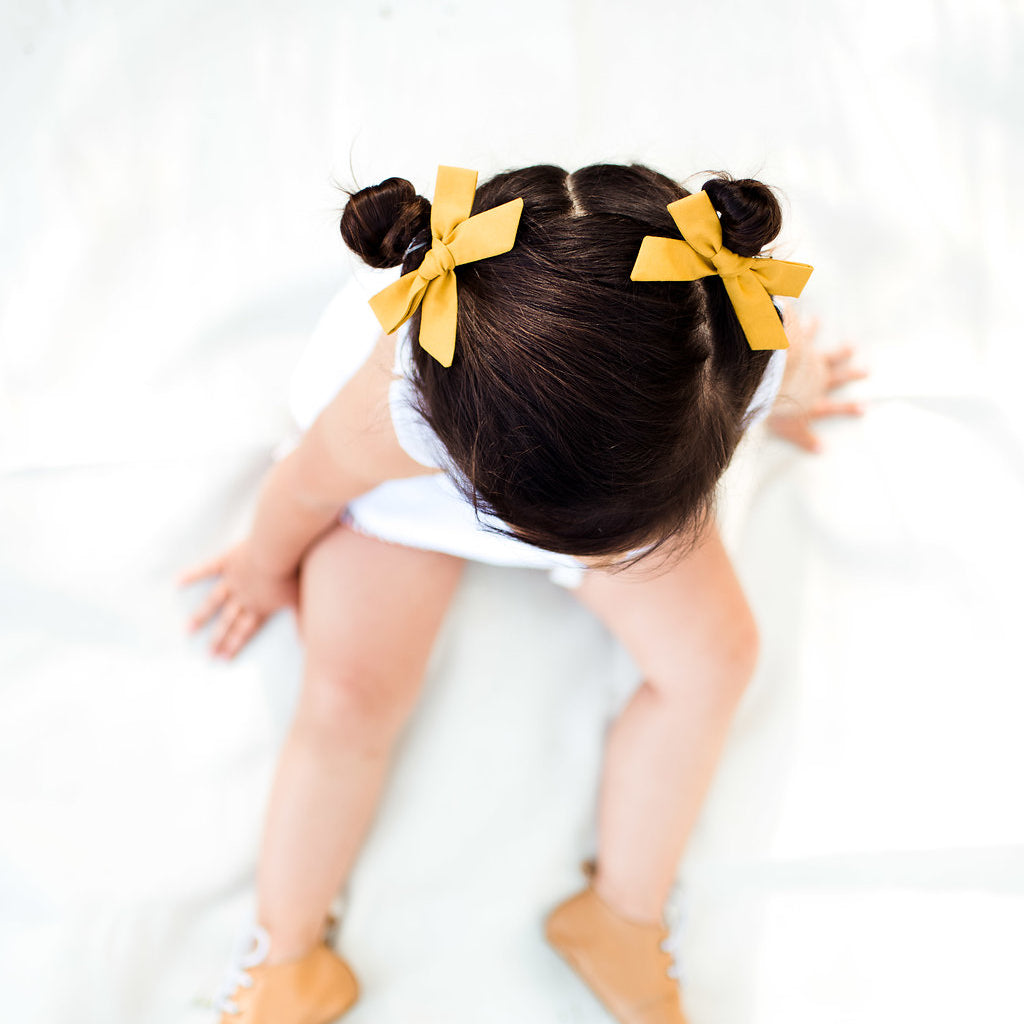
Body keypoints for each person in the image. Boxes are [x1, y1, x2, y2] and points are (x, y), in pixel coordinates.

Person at [180, 162, 864, 1024]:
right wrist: (262, 562)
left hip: (623, 487)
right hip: (421, 492)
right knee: (347, 697)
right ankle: (285, 954)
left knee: (718, 660)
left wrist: (789, 390)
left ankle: (621, 916)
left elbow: (772, 368)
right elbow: (309, 485)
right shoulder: (400, 402)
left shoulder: (728, 351)